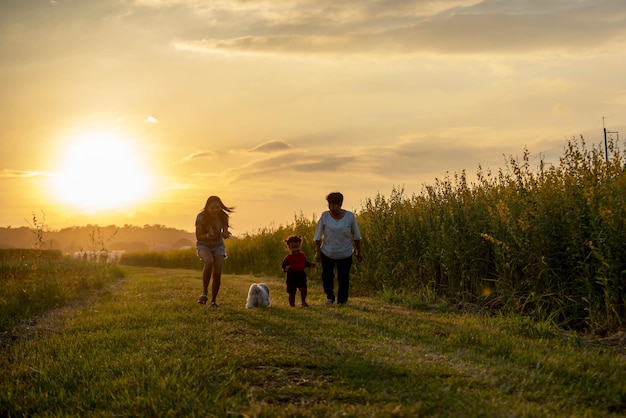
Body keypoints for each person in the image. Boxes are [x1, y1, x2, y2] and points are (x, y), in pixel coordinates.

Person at [314, 192, 362, 306]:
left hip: (345, 253)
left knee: (343, 278)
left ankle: (342, 300)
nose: (332, 207)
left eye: (335, 205)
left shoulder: (349, 216)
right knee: (327, 277)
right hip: (327, 252)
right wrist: (318, 252)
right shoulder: (325, 216)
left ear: (340, 204)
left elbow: (356, 236)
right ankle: (330, 297)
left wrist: (358, 252)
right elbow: (317, 236)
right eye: (330, 205)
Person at [196, 195, 233, 307]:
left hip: (218, 246)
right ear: (207, 208)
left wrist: (225, 234)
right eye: (213, 208)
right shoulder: (201, 217)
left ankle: (214, 301)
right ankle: (204, 293)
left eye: (218, 207)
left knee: (217, 272)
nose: (215, 210)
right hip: (204, 245)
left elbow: (225, 232)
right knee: (209, 261)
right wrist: (207, 235)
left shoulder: (223, 217)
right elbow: (198, 237)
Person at [281, 236, 316, 307]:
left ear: (300, 246)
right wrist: (286, 268)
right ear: (289, 248)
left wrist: (310, 264)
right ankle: (292, 304)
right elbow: (283, 267)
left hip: (301, 274)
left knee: (303, 288)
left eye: (297, 247)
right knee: (292, 292)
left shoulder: (302, 255)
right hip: (291, 276)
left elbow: (304, 263)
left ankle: (303, 301)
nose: (295, 249)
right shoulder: (288, 258)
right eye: (293, 248)